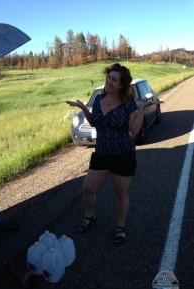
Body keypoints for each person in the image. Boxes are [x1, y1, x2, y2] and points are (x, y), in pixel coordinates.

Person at [66, 63, 155, 245]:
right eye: (108, 78)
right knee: (88, 189)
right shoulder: (99, 99)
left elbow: (134, 129)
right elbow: (95, 122)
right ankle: (90, 216)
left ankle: (120, 226)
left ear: (122, 85)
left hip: (122, 154)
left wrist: (142, 109)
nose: (109, 82)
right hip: (102, 153)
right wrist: (83, 108)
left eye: (114, 80)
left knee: (121, 192)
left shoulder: (127, 103)